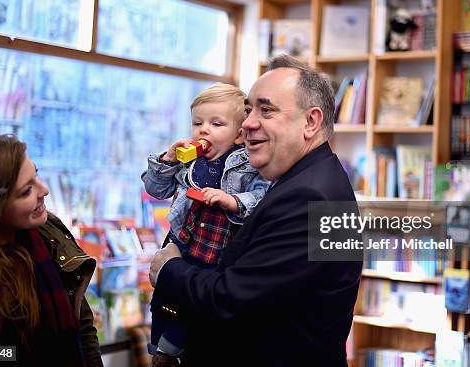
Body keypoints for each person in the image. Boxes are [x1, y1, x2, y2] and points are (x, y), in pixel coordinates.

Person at [149, 55, 362, 366]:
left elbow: (233, 299)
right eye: (248, 110)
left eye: (267, 110)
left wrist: (169, 269)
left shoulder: (308, 196)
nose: (247, 123)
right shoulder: (318, 178)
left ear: (311, 122)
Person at [141, 83, 270, 365]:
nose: (203, 130)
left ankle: (170, 351)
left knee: (192, 309)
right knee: (165, 300)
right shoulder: (192, 161)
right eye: (198, 122)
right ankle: (159, 349)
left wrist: (232, 200)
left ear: (239, 134)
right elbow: (155, 189)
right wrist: (167, 161)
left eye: (216, 123)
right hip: (185, 242)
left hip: (218, 251)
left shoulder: (248, 164)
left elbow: (262, 196)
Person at [0, 135, 102, 366]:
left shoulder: (48, 235)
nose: (45, 190)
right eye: (26, 190)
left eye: (36, 174)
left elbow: (82, 327)